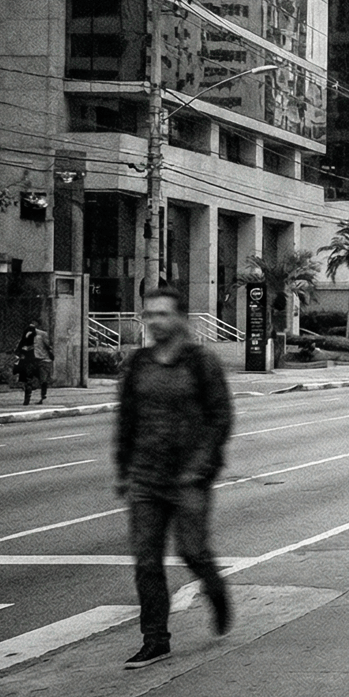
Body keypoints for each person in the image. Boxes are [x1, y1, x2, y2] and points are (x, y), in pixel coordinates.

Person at [113, 286, 232, 669]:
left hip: (188, 477)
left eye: (163, 314)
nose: (155, 322)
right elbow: (126, 419)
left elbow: (220, 417)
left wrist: (201, 466)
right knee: (146, 560)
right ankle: (155, 639)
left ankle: (216, 591)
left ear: (180, 318)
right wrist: (122, 468)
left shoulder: (201, 362)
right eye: (149, 315)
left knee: (192, 550)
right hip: (145, 476)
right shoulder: (139, 364)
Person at [14, 320, 53, 405]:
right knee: (28, 379)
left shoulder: (42, 334)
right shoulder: (26, 335)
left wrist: (50, 356)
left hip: (42, 359)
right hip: (31, 360)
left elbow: (48, 346)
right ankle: (27, 398)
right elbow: (21, 346)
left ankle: (43, 396)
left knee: (43, 380)